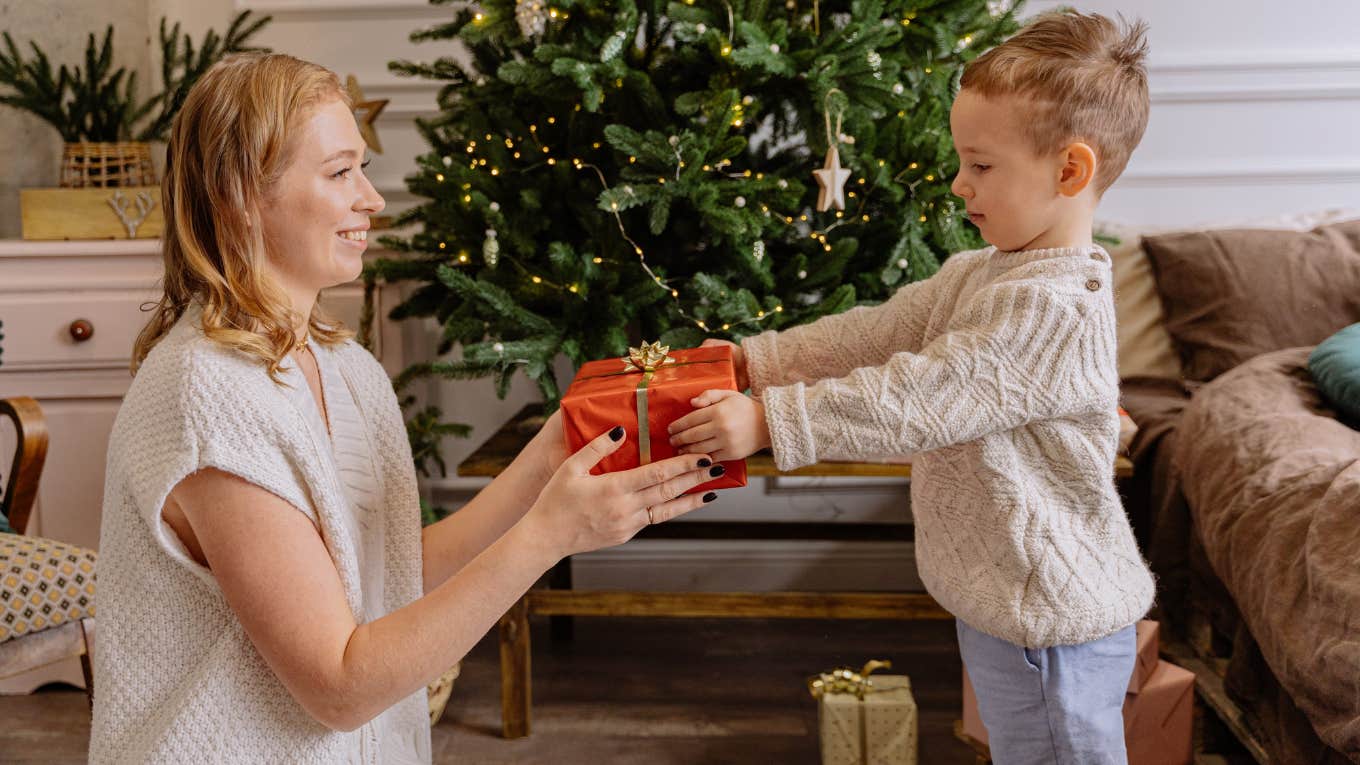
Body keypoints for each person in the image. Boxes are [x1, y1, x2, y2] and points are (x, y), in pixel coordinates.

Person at [90, 52, 724, 764]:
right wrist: (548, 535)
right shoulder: (207, 398)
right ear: (238, 194)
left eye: (361, 167)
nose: (373, 199)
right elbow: (339, 685)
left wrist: (549, 454)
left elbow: (386, 571)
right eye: (339, 173)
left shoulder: (347, 368)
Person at [668, 10, 1156, 764]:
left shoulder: (1054, 309)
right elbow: (870, 334)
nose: (960, 182)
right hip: (1006, 604)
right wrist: (754, 361)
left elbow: (922, 396)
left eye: (982, 165)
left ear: (1070, 171)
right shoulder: (979, 273)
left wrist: (772, 419)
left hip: (1051, 626)